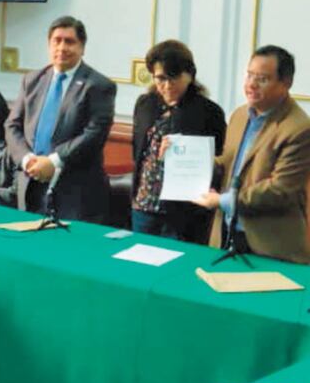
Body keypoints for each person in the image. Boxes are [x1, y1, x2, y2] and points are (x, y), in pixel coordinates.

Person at [193, 45, 310, 263]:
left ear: (285, 84)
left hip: (270, 244)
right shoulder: (239, 115)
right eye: (249, 75)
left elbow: (280, 190)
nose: (251, 84)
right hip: (226, 234)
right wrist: (186, 160)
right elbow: (229, 163)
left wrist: (223, 201)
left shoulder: (299, 128)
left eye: (262, 79)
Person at [6, 15, 116, 222]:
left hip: (75, 192)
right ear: (49, 45)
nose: (62, 47)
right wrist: (27, 159)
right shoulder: (32, 80)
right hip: (30, 183)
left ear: (82, 47)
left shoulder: (99, 85)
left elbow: (94, 134)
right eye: (57, 41)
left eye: (70, 41)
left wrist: (53, 161)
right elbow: (12, 125)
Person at [131, 40, 226, 243]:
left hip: (184, 211)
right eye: (160, 78)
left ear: (190, 75)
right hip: (144, 204)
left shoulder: (209, 111)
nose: (166, 85)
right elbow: (138, 152)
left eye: (174, 78)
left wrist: (186, 150)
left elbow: (221, 161)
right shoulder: (145, 105)